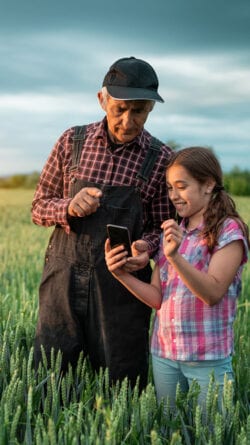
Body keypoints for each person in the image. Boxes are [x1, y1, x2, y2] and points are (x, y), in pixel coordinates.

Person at [32, 56, 175, 389]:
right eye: (120, 109)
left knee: (121, 380)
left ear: (151, 108)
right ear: (102, 99)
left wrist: (145, 249)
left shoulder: (161, 158)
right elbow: (38, 206)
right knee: (52, 379)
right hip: (63, 282)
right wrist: (68, 207)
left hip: (122, 286)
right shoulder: (72, 142)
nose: (127, 120)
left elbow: (162, 228)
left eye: (138, 110)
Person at [105, 146, 249, 409]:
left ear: (208, 185)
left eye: (181, 186)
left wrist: (175, 257)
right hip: (164, 355)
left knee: (210, 434)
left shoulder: (229, 230)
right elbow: (158, 298)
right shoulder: (171, 232)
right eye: (170, 188)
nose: (173, 196)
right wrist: (121, 275)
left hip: (207, 359)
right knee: (168, 430)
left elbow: (213, 292)